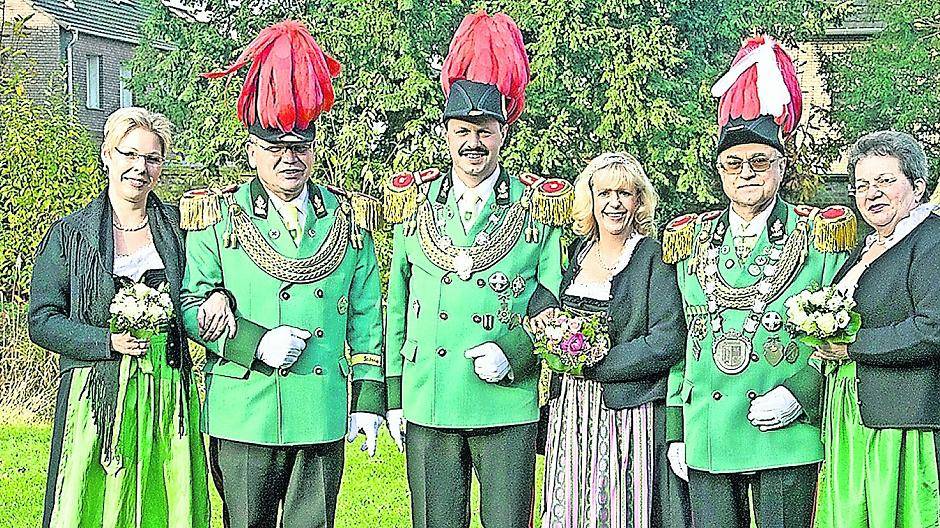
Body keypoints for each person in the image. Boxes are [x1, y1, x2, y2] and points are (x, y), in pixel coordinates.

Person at [180, 20, 385, 528]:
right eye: (275, 147)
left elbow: (367, 316)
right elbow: (187, 307)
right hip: (244, 407)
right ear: (252, 152)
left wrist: (368, 400)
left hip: (318, 408)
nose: (289, 159)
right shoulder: (217, 216)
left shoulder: (349, 217)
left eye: (300, 147)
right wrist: (255, 342)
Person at [382, 10, 568, 528]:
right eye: (462, 130)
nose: (473, 143)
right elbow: (395, 307)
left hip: (505, 402)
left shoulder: (538, 206)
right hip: (430, 398)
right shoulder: (412, 204)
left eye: (485, 131)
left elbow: (554, 308)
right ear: (446, 133)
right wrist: (395, 396)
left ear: (503, 134)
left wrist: (515, 354)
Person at [662, 35, 856, 528]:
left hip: (784, 430)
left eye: (759, 162)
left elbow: (842, 334)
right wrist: (675, 429)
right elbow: (684, 339)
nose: (745, 173)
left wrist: (800, 392)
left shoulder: (820, 234)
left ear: (781, 166)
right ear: (720, 172)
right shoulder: (690, 238)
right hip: (708, 428)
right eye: (733, 164)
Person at [29, 107, 221, 528]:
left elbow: (208, 282)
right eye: (129, 154)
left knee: (168, 501)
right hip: (94, 393)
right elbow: (42, 320)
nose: (140, 168)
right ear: (107, 155)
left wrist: (220, 296)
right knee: (89, 502)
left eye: (152, 158)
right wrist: (105, 342)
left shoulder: (180, 226)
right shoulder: (70, 234)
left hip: (168, 388)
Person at [527, 152, 693, 528]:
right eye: (604, 193)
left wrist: (597, 362)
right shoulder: (574, 253)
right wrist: (552, 329)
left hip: (629, 411)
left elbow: (668, 339)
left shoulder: (654, 257)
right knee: (568, 503)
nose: (614, 203)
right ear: (590, 199)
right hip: (569, 409)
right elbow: (542, 293)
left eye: (625, 193)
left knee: (621, 508)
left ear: (638, 202)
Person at [813, 131, 940, 527]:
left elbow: (932, 328)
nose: (872, 194)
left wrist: (852, 347)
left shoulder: (932, 240)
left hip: (902, 418)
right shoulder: (870, 243)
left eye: (886, 181)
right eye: (862, 185)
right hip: (850, 409)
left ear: (917, 188)